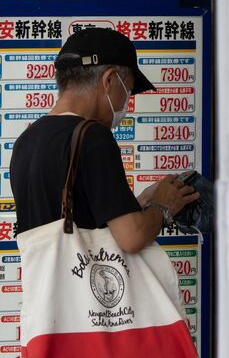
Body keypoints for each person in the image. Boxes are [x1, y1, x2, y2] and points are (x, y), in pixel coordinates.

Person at [10, 28, 199, 354]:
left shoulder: (28, 141)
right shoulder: (92, 137)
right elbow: (130, 237)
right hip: (100, 335)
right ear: (110, 79)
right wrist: (163, 208)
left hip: (54, 328)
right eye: (129, 88)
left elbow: (79, 217)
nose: (127, 101)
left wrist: (142, 201)